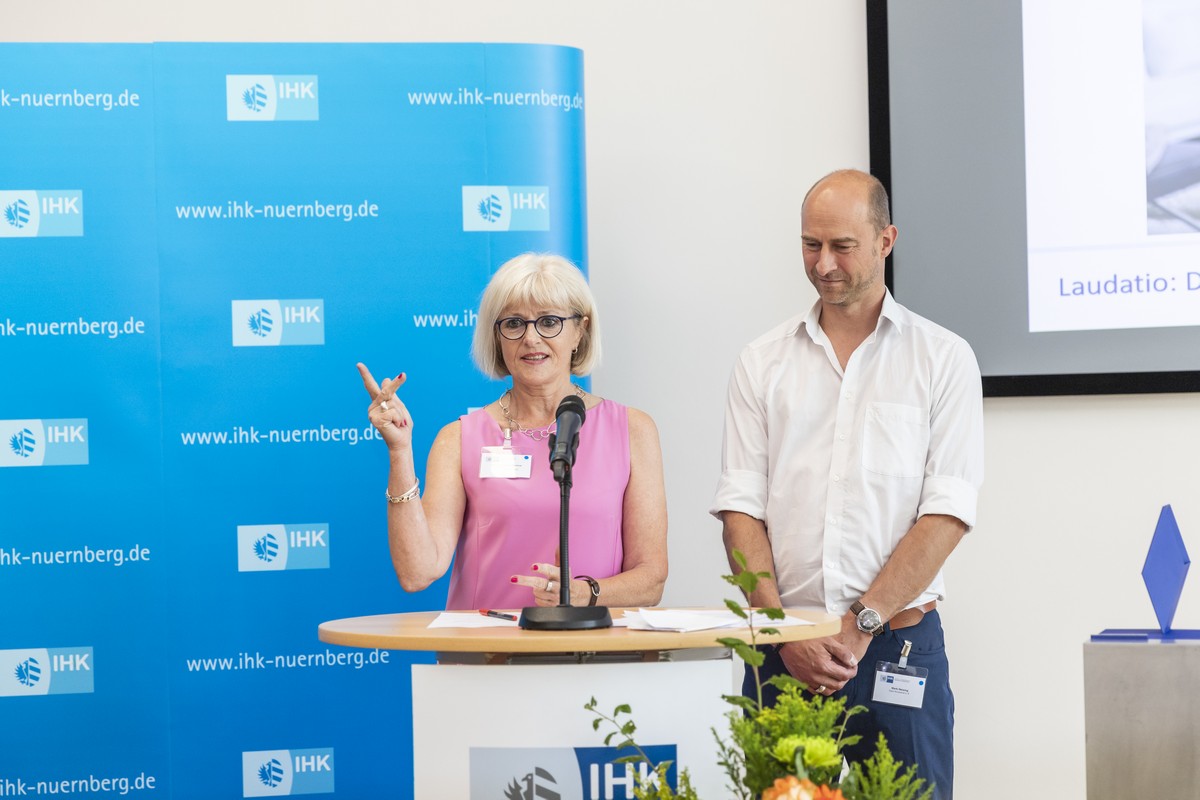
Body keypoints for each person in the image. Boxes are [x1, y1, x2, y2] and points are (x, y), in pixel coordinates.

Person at [710, 169, 983, 799]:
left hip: (899, 649)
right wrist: (783, 632)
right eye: (811, 245)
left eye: (842, 246)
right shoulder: (762, 361)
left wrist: (859, 626)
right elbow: (740, 510)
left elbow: (946, 515)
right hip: (786, 652)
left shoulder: (943, 359)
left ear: (887, 241)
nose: (824, 263)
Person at [358, 252, 668, 611]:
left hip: (593, 643)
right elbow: (418, 573)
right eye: (514, 323)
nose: (531, 338)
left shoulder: (633, 430)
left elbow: (651, 579)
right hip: (488, 645)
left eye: (549, 322)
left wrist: (584, 593)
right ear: (498, 337)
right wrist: (399, 451)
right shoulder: (458, 439)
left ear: (580, 331)